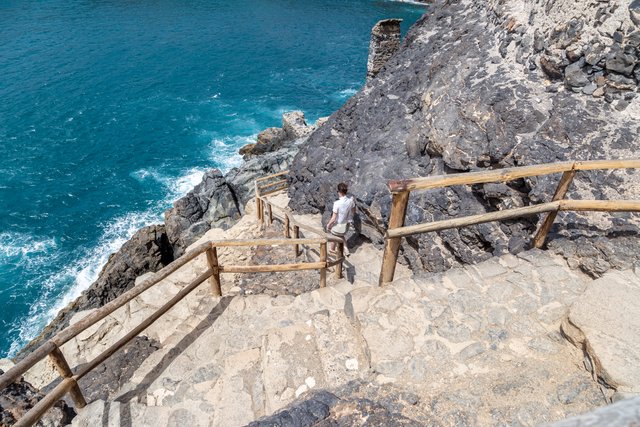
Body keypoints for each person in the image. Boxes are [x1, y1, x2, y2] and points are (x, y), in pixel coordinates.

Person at [327, 182, 356, 255]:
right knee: (341, 235)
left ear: (339, 192)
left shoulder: (337, 203)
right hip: (346, 225)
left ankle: (332, 250)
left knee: (333, 234)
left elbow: (333, 218)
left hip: (339, 226)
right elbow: (354, 212)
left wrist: (328, 225)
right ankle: (346, 249)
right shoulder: (351, 201)